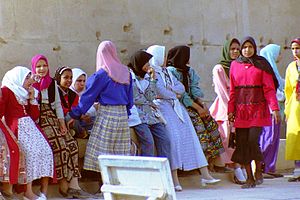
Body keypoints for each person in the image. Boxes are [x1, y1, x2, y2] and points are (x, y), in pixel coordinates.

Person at [146, 45, 220, 191]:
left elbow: (181, 88)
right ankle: (174, 179)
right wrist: (174, 92)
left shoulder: (166, 71)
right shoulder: (152, 73)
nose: (166, 58)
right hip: (163, 108)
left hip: (176, 109)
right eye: (163, 55)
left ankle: (205, 175)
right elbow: (160, 91)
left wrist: (172, 91)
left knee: (191, 137)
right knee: (173, 140)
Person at [31, 55, 91, 199]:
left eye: (44, 65)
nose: (41, 69)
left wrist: (62, 123)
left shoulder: (51, 83)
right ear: (34, 67)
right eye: (38, 66)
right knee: (59, 145)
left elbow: (57, 105)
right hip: (40, 119)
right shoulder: (31, 82)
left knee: (71, 144)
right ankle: (63, 183)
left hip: (53, 117)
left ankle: (74, 184)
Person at [68, 40, 133, 173]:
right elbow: (130, 97)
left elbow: (88, 96)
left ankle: (103, 183)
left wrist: (75, 114)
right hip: (122, 115)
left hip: (107, 113)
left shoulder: (102, 74)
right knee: (119, 149)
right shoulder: (126, 72)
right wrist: (126, 112)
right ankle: (118, 182)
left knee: (102, 148)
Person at [228, 36, 280, 189]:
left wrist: (275, 108)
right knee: (242, 144)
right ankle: (249, 178)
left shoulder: (261, 65)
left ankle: (258, 170)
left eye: (250, 47)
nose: (247, 50)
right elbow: (232, 90)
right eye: (244, 47)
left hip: (258, 109)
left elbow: (269, 89)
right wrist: (230, 110)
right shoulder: (234, 65)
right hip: (241, 110)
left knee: (252, 141)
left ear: (255, 48)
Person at [167, 45, 225, 171]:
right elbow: (182, 95)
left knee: (211, 124)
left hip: (193, 104)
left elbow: (194, 89)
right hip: (180, 106)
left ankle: (214, 160)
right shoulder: (171, 71)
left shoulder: (189, 71)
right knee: (199, 126)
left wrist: (202, 104)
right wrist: (198, 109)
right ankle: (202, 162)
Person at [1, 66, 54, 199]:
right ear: (18, 78)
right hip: (16, 127)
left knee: (46, 150)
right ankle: (28, 192)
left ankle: (44, 191)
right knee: (29, 153)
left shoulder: (25, 92)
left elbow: (34, 115)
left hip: (30, 127)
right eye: (27, 78)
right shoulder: (7, 90)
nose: (30, 80)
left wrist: (32, 99)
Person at [209, 38, 247, 184]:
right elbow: (222, 92)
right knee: (229, 137)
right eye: (232, 49)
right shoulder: (219, 68)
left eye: (238, 49)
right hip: (226, 108)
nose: (236, 52)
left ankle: (242, 166)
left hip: (242, 106)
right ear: (226, 50)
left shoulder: (240, 65)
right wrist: (231, 111)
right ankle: (236, 167)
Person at [127, 50, 171, 160]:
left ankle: (164, 171)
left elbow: (150, 97)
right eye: (146, 62)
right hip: (137, 115)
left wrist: (153, 79)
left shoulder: (146, 77)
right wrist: (148, 101)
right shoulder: (128, 77)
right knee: (148, 141)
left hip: (150, 115)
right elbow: (136, 98)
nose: (149, 65)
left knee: (165, 139)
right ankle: (147, 171)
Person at [259, 44, 284, 178]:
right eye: (279, 53)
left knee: (274, 138)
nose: (280, 56)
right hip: (269, 110)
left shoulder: (273, 69)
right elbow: (273, 90)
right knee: (268, 138)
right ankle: (262, 166)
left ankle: (270, 167)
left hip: (275, 109)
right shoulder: (266, 70)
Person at [55, 66, 89, 139]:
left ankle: (74, 131)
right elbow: (59, 108)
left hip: (71, 118)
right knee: (69, 117)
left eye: (71, 78)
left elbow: (74, 108)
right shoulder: (54, 91)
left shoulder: (73, 95)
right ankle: (80, 132)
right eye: (66, 77)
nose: (69, 80)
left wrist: (78, 115)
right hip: (58, 117)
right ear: (59, 78)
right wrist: (76, 115)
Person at [284, 38, 300, 182]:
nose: (296, 51)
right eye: (293, 48)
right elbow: (288, 90)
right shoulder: (290, 67)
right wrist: (287, 111)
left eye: (298, 48)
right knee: (294, 137)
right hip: (295, 105)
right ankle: (297, 168)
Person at [70, 68, 97, 136]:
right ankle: (80, 132)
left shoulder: (86, 93)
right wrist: (80, 116)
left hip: (86, 119)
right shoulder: (68, 93)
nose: (82, 83)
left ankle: (80, 131)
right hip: (75, 119)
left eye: (84, 81)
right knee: (72, 120)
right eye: (79, 81)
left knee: (97, 119)